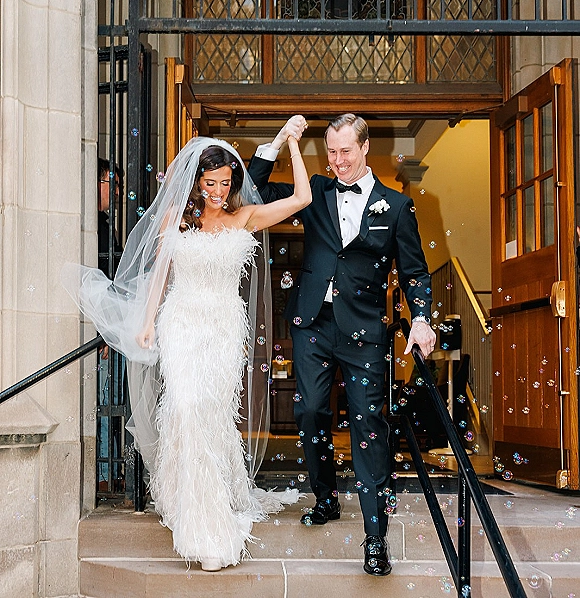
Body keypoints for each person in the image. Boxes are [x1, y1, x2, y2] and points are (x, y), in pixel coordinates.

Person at [63, 135, 311, 571]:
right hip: (181, 324)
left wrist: (291, 140)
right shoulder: (176, 220)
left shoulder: (244, 216)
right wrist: (146, 323)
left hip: (223, 329)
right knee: (186, 407)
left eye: (225, 183)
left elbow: (302, 199)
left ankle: (205, 504)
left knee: (210, 415)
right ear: (196, 182)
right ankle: (201, 522)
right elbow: (160, 274)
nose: (217, 192)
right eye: (210, 183)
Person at [248, 113, 436, 577]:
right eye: (331, 152)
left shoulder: (397, 206)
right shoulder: (313, 191)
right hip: (313, 323)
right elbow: (253, 193)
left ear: (365, 147)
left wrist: (421, 320)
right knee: (311, 411)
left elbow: (414, 271)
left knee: (369, 424)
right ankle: (326, 496)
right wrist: (277, 142)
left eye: (346, 151)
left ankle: (375, 538)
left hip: (365, 331)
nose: (338, 161)